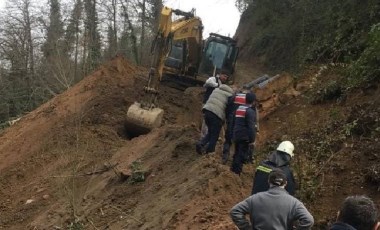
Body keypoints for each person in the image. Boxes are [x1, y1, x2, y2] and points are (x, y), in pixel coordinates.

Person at [230, 169, 314, 230]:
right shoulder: (294, 203)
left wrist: (246, 228)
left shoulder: (254, 198)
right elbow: (309, 220)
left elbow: (235, 211)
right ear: (285, 183)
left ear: (269, 182)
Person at [196, 83, 233, 154]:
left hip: (207, 111)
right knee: (215, 135)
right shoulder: (230, 95)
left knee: (210, 132)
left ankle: (201, 143)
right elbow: (229, 109)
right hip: (216, 114)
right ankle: (210, 151)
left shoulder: (216, 89)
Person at [230, 93, 257, 175]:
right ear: (253, 101)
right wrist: (252, 140)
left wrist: (232, 134)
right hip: (244, 136)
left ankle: (232, 171)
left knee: (237, 153)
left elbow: (233, 122)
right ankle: (236, 173)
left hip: (236, 134)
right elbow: (251, 127)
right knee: (241, 155)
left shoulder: (238, 109)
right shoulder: (250, 111)